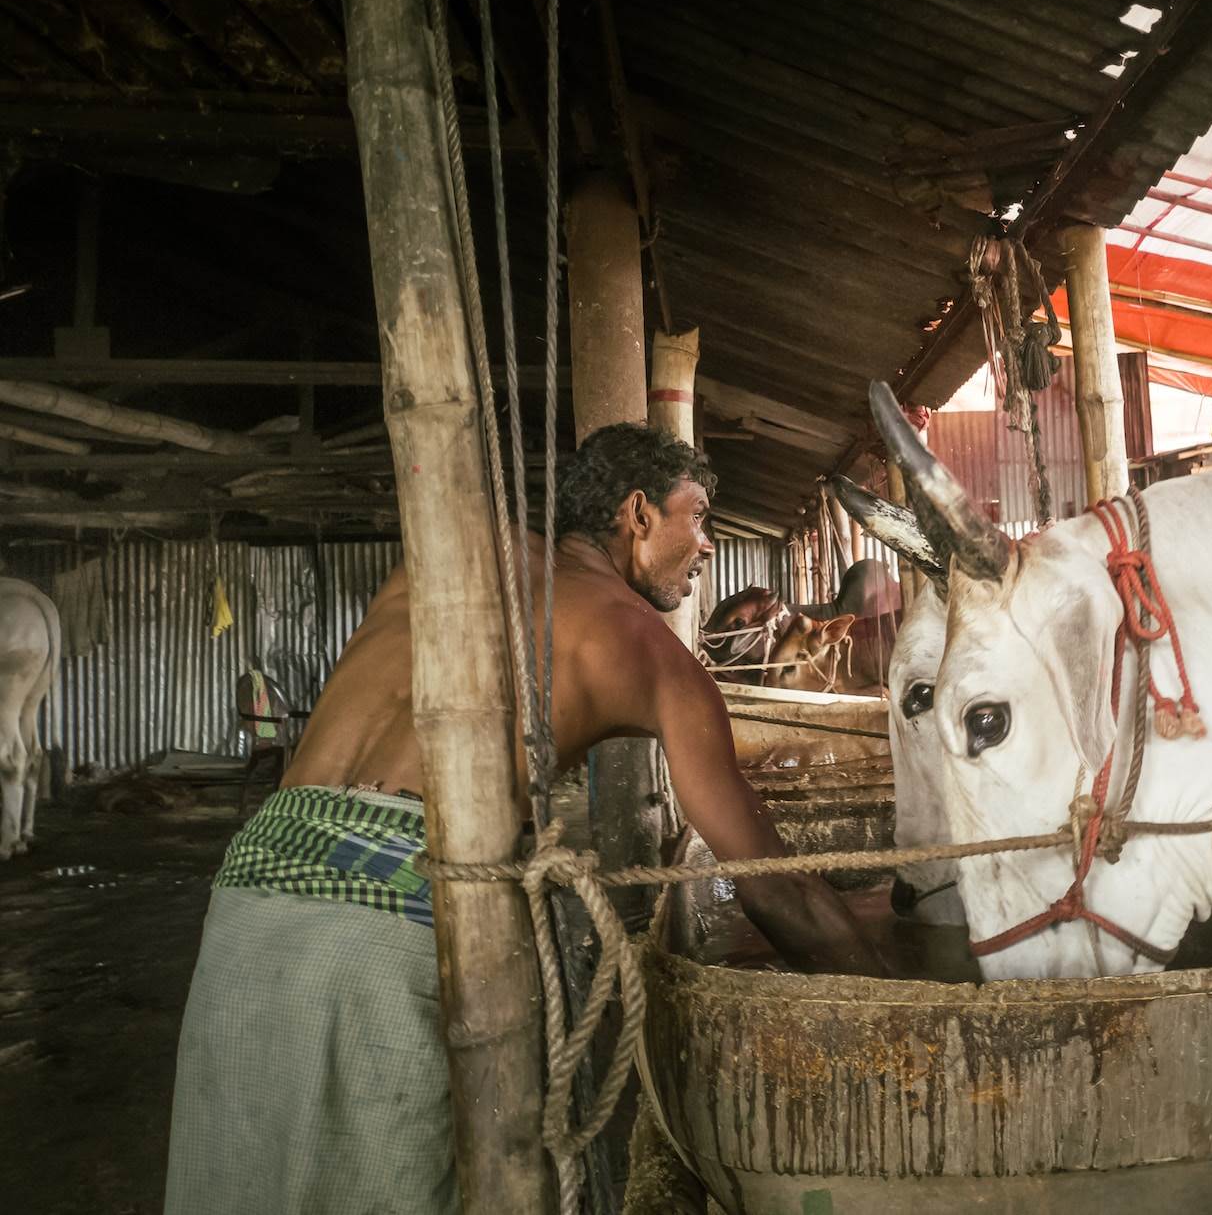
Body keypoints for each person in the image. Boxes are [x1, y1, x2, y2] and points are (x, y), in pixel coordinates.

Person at [165, 422, 887, 1215]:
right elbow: (772, 886)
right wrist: (900, 999)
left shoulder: (456, 553)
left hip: (256, 874)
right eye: (699, 518)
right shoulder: (653, 656)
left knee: (233, 1176)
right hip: (402, 905)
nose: (708, 545)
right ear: (638, 515)